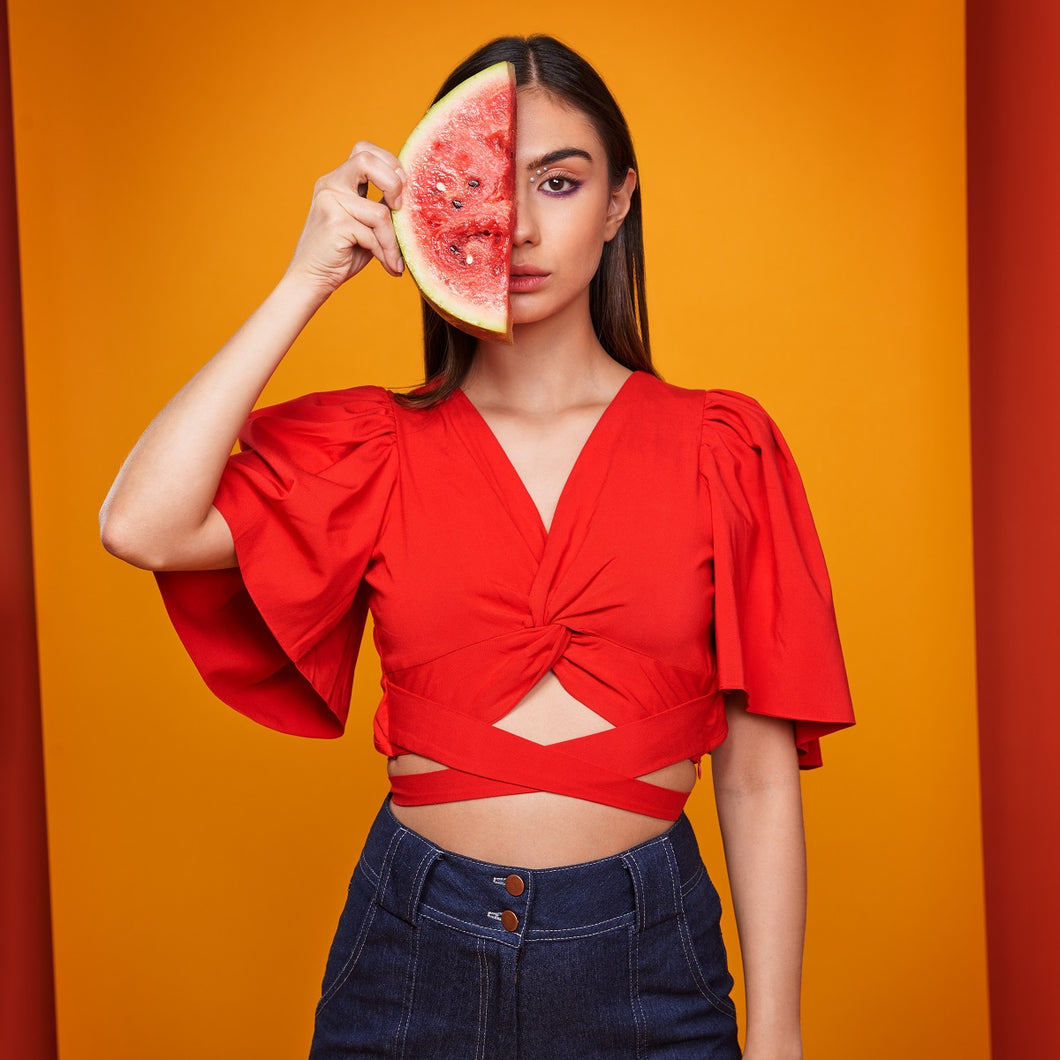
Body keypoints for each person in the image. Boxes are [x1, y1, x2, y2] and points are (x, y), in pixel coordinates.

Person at [100, 34, 853, 1060]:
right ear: (428, 207)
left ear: (620, 202)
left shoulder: (722, 447)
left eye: (561, 181)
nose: (521, 227)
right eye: (482, 185)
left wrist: (778, 1036)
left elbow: (758, 779)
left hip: (650, 964)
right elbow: (138, 524)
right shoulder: (373, 447)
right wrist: (306, 279)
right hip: (411, 954)